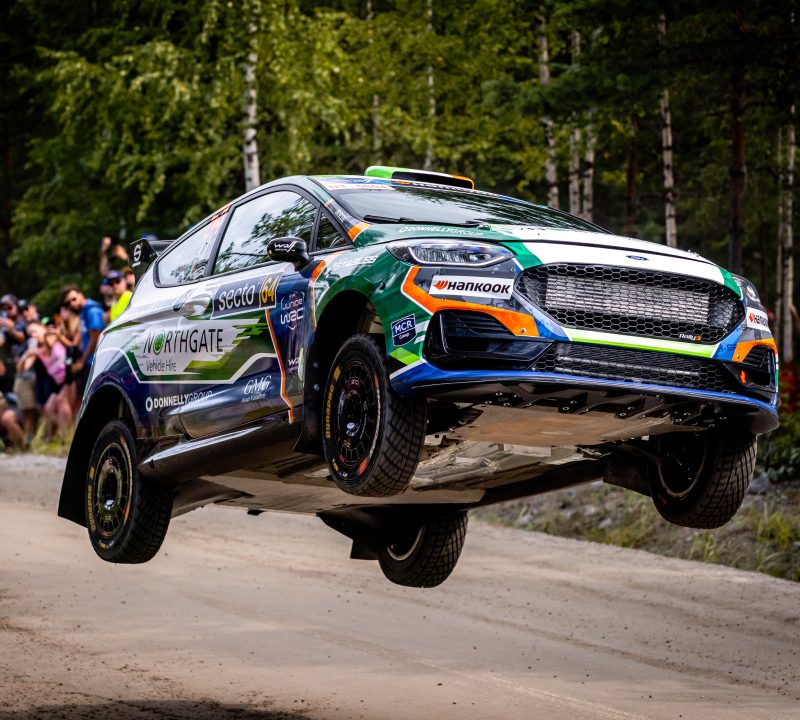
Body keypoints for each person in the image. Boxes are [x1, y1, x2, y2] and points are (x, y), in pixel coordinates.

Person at [59, 285, 105, 398]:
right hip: (90, 361)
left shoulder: (92, 311)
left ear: (80, 294)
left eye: (73, 299)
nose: (71, 303)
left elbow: (96, 338)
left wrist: (81, 362)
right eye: (68, 303)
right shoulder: (83, 311)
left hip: (96, 361)